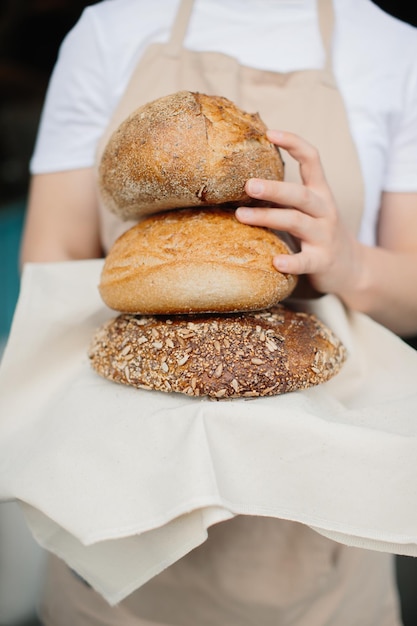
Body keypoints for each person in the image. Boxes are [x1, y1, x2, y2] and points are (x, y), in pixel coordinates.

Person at [18, 0, 417, 624]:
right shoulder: (109, 28)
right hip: (117, 508)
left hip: (318, 536)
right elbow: (50, 260)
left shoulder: (393, 48)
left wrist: (348, 263)